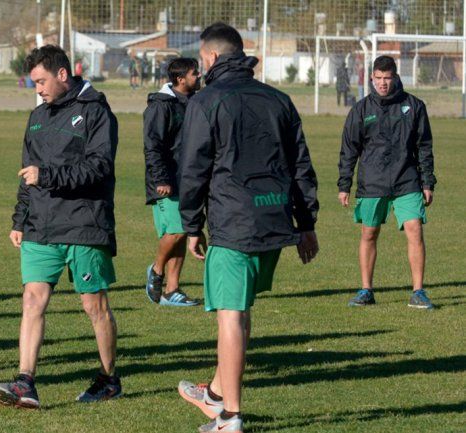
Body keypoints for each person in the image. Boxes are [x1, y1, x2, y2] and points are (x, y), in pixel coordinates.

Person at [176, 23, 319, 433]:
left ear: (212, 58)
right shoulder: (279, 99)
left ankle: (229, 417)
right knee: (240, 311)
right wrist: (305, 223)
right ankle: (217, 394)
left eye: (203, 59)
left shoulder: (206, 101)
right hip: (273, 221)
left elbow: (193, 169)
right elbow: (301, 167)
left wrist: (191, 225)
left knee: (231, 316)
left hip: (233, 223)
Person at [0, 45, 120, 408]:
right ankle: (25, 381)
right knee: (32, 299)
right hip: (41, 224)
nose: (39, 89)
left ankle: (109, 379)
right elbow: (26, 172)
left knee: (94, 306)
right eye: (34, 83)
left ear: (63, 75)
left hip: (84, 223)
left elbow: (99, 168)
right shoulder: (37, 116)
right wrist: (19, 218)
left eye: (42, 81)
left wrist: (48, 176)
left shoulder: (96, 112)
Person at [338, 55, 436, 309]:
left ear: (395, 77)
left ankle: (418, 292)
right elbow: (349, 149)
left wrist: (427, 182)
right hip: (372, 181)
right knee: (369, 233)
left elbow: (424, 147)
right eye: (378, 78)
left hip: (407, 180)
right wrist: (344, 184)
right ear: (372, 78)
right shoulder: (361, 109)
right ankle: (366, 290)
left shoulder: (414, 106)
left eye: (387, 78)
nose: (383, 83)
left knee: (415, 229)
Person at [144, 57, 201, 307]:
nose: (198, 76)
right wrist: (161, 178)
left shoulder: (194, 102)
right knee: (176, 231)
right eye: (194, 73)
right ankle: (156, 270)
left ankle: (172, 290)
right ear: (180, 79)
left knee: (184, 231)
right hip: (166, 182)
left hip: (188, 180)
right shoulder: (160, 106)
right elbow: (152, 145)